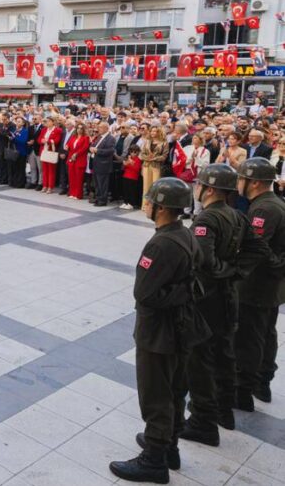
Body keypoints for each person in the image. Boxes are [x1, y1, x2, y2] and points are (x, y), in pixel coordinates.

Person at [109, 178, 204, 484]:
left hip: (160, 333)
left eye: (149, 200)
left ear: (161, 207)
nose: (146, 204)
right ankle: (169, 447)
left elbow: (145, 294)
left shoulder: (161, 243)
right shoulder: (185, 234)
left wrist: (179, 293)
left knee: (156, 395)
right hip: (181, 327)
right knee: (175, 390)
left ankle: (153, 459)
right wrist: (183, 292)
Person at [181, 164, 265, 446]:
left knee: (201, 359)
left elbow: (203, 261)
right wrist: (237, 272)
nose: (197, 188)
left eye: (200, 184)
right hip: (228, 296)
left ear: (210, 189)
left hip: (207, 299)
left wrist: (225, 270)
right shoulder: (238, 216)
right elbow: (257, 250)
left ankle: (203, 420)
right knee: (223, 354)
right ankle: (223, 411)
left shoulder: (206, 220)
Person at [234, 158, 285, 410]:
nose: (238, 183)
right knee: (264, 332)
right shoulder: (271, 203)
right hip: (268, 285)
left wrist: (231, 274)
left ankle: (248, 385)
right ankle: (261, 381)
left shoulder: (264, 209)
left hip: (257, 285)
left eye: (241, 178)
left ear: (254, 182)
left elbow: (256, 249)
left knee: (251, 336)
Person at [90, 123, 116, 207]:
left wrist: (98, 151)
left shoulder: (110, 138)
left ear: (106, 128)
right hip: (96, 163)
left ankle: (102, 200)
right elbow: (94, 145)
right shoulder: (99, 137)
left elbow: (110, 151)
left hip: (103, 164)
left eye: (100, 127)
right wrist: (91, 147)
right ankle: (98, 198)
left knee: (103, 184)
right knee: (97, 183)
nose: (98, 129)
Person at [66, 124, 89, 200]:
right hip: (71, 159)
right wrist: (67, 146)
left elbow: (84, 148)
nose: (79, 130)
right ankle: (72, 192)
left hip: (79, 160)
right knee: (71, 177)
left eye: (81, 128)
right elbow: (68, 144)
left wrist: (76, 154)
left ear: (83, 130)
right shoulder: (73, 137)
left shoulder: (86, 138)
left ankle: (78, 194)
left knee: (78, 178)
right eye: (78, 128)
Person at [121, 145, 144, 211]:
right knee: (125, 190)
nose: (133, 153)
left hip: (133, 177)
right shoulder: (128, 158)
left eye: (135, 152)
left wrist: (131, 163)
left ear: (138, 152)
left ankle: (131, 203)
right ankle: (125, 202)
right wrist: (127, 163)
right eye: (131, 152)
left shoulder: (138, 160)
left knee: (131, 191)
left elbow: (137, 169)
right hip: (126, 176)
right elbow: (124, 167)